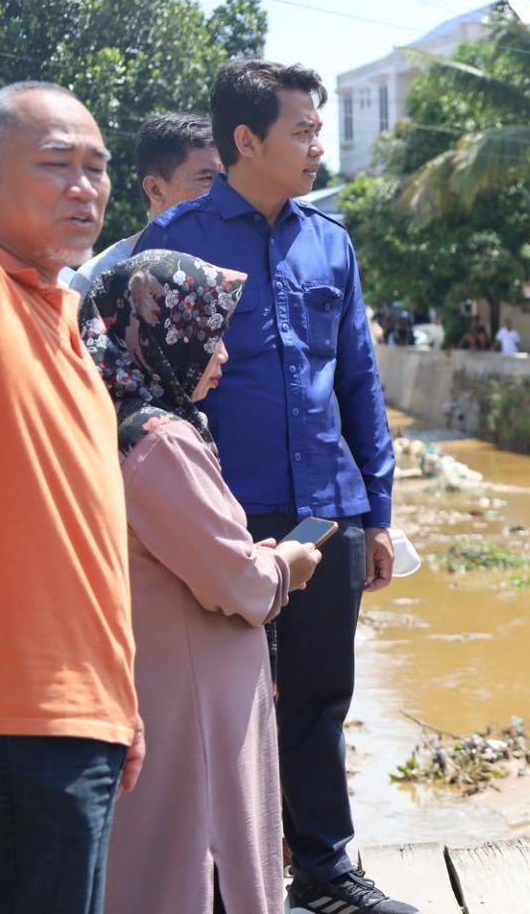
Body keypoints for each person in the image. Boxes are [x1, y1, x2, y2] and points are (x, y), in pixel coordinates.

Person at [135, 59, 408, 914]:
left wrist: (380, 515)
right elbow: (143, 383)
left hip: (330, 510)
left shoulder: (331, 239)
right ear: (246, 139)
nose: (318, 144)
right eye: (303, 129)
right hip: (223, 514)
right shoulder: (175, 241)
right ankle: (226, 883)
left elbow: (359, 380)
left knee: (322, 696)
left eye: (320, 129)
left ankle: (325, 874)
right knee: (225, 709)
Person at [83, 251, 323, 914]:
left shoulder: (126, 423)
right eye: (208, 334)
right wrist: (284, 567)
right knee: (203, 861)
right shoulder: (158, 441)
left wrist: (248, 560)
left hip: (172, 681)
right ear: (165, 335)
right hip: (193, 705)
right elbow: (237, 585)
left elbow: (203, 555)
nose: (220, 356)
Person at [0, 80, 141, 913]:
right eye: (56, 165)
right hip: (18, 727)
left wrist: (121, 699)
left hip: (84, 721)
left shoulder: (64, 321)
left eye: (97, 167)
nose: (84, 186)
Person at [67, 112, 221, 303]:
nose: (224, 191)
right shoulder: (99, 277)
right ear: (155, 190)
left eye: (227, 178)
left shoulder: (244, 261)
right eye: (207, 179)